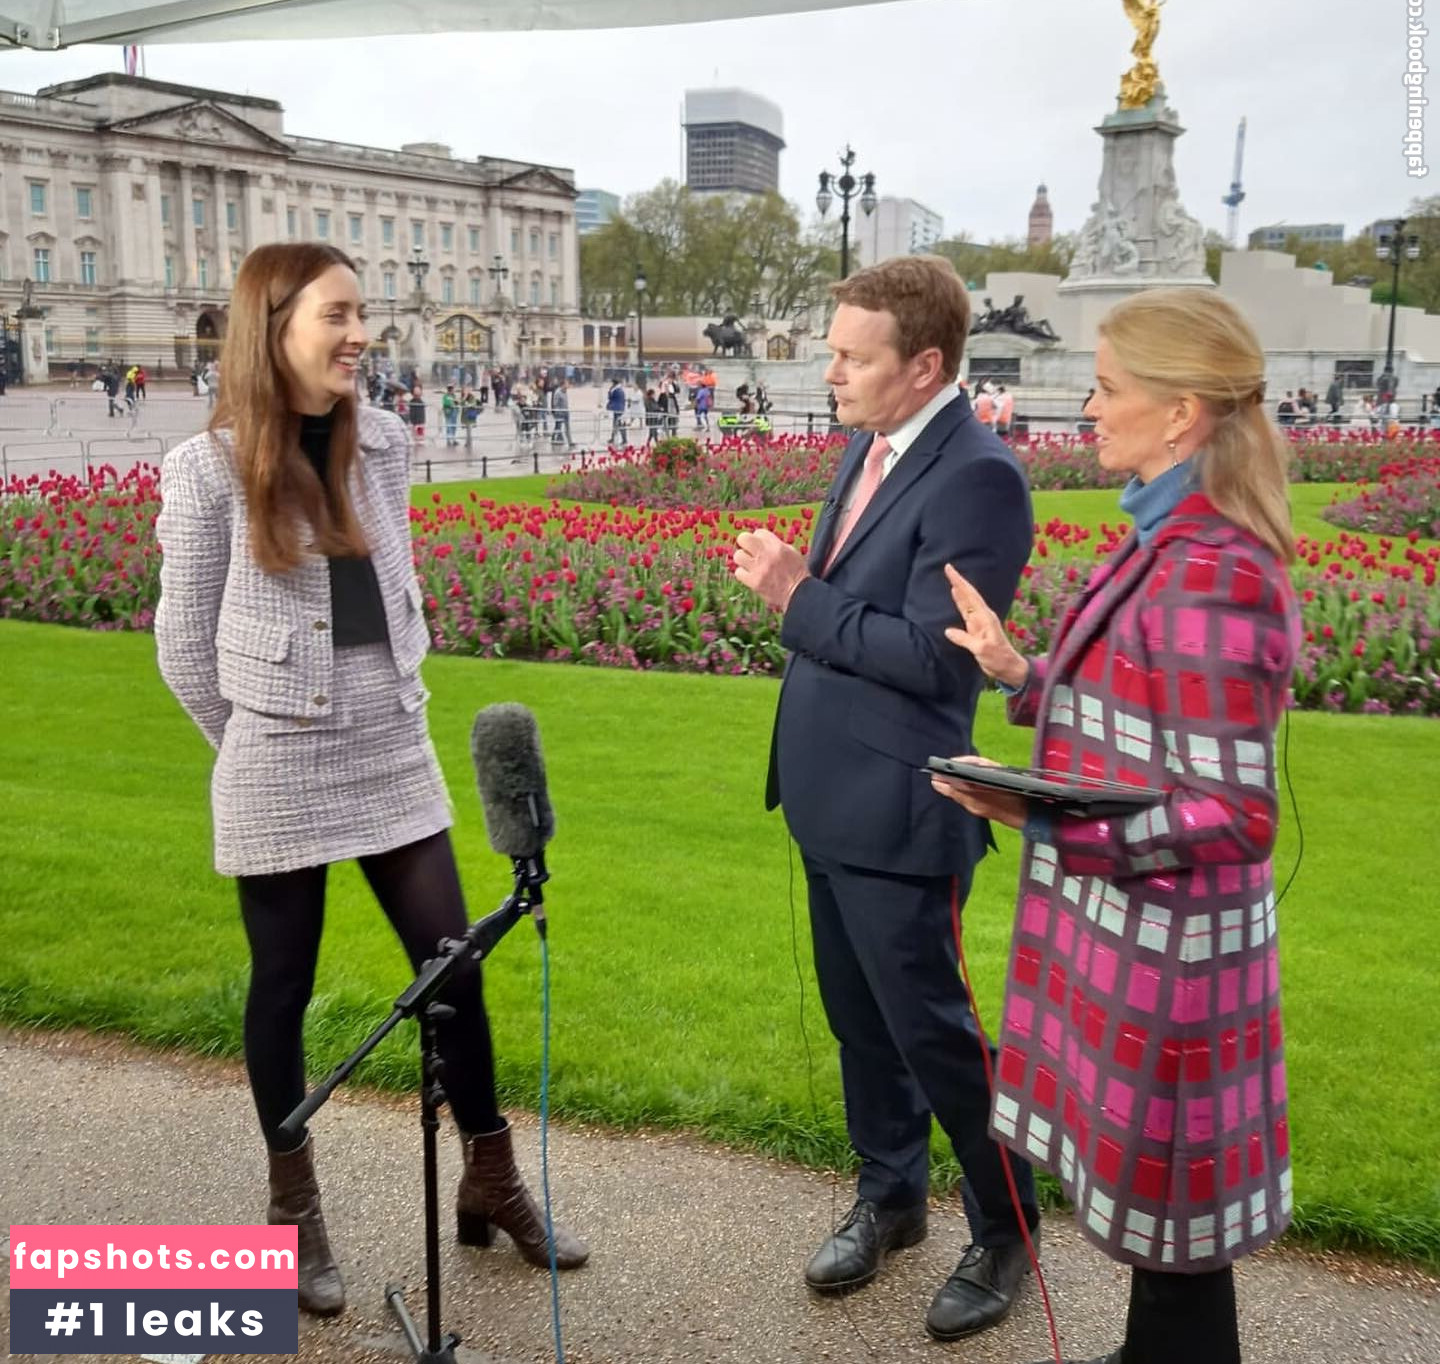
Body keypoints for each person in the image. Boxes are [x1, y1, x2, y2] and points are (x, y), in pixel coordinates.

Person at [153, 243, 588, 1319]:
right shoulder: (204, 468)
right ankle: (292, 1208)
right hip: (278, 755)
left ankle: (489, 1177)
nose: (361, 334)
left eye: (364, 315)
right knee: (283, 987)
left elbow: (396, 583)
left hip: (392, 743)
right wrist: (253, 739)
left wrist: (382, 686)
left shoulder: (384, 441)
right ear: (275, 325)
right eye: (339, 315)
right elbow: (183, 648)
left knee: (454, 966)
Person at [933, 287, 1300, 1364]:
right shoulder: (1170, 532)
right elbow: (1153, 722)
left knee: (1180, 1230)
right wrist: (1021, 671)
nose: (1084, 406)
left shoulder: (1210, 565)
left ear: (1181, 413)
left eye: (1105, 386)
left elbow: (1234, 812)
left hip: (1171, 958)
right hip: (1144, 941)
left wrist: (1048, 819)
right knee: (1168, 1228)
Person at [731, 255, 1038, 1342]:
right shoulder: (875, 444)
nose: (831, 373)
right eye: (832, 351)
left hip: (904, 811)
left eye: (851, 357)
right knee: (862, 1025)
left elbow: (937, 658)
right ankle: (892, 1196)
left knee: (935, 1035)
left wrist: (794, 596)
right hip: (825, 792)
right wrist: (809, 598)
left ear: (925, 365)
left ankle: (1006, 1227)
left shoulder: (978, 476)